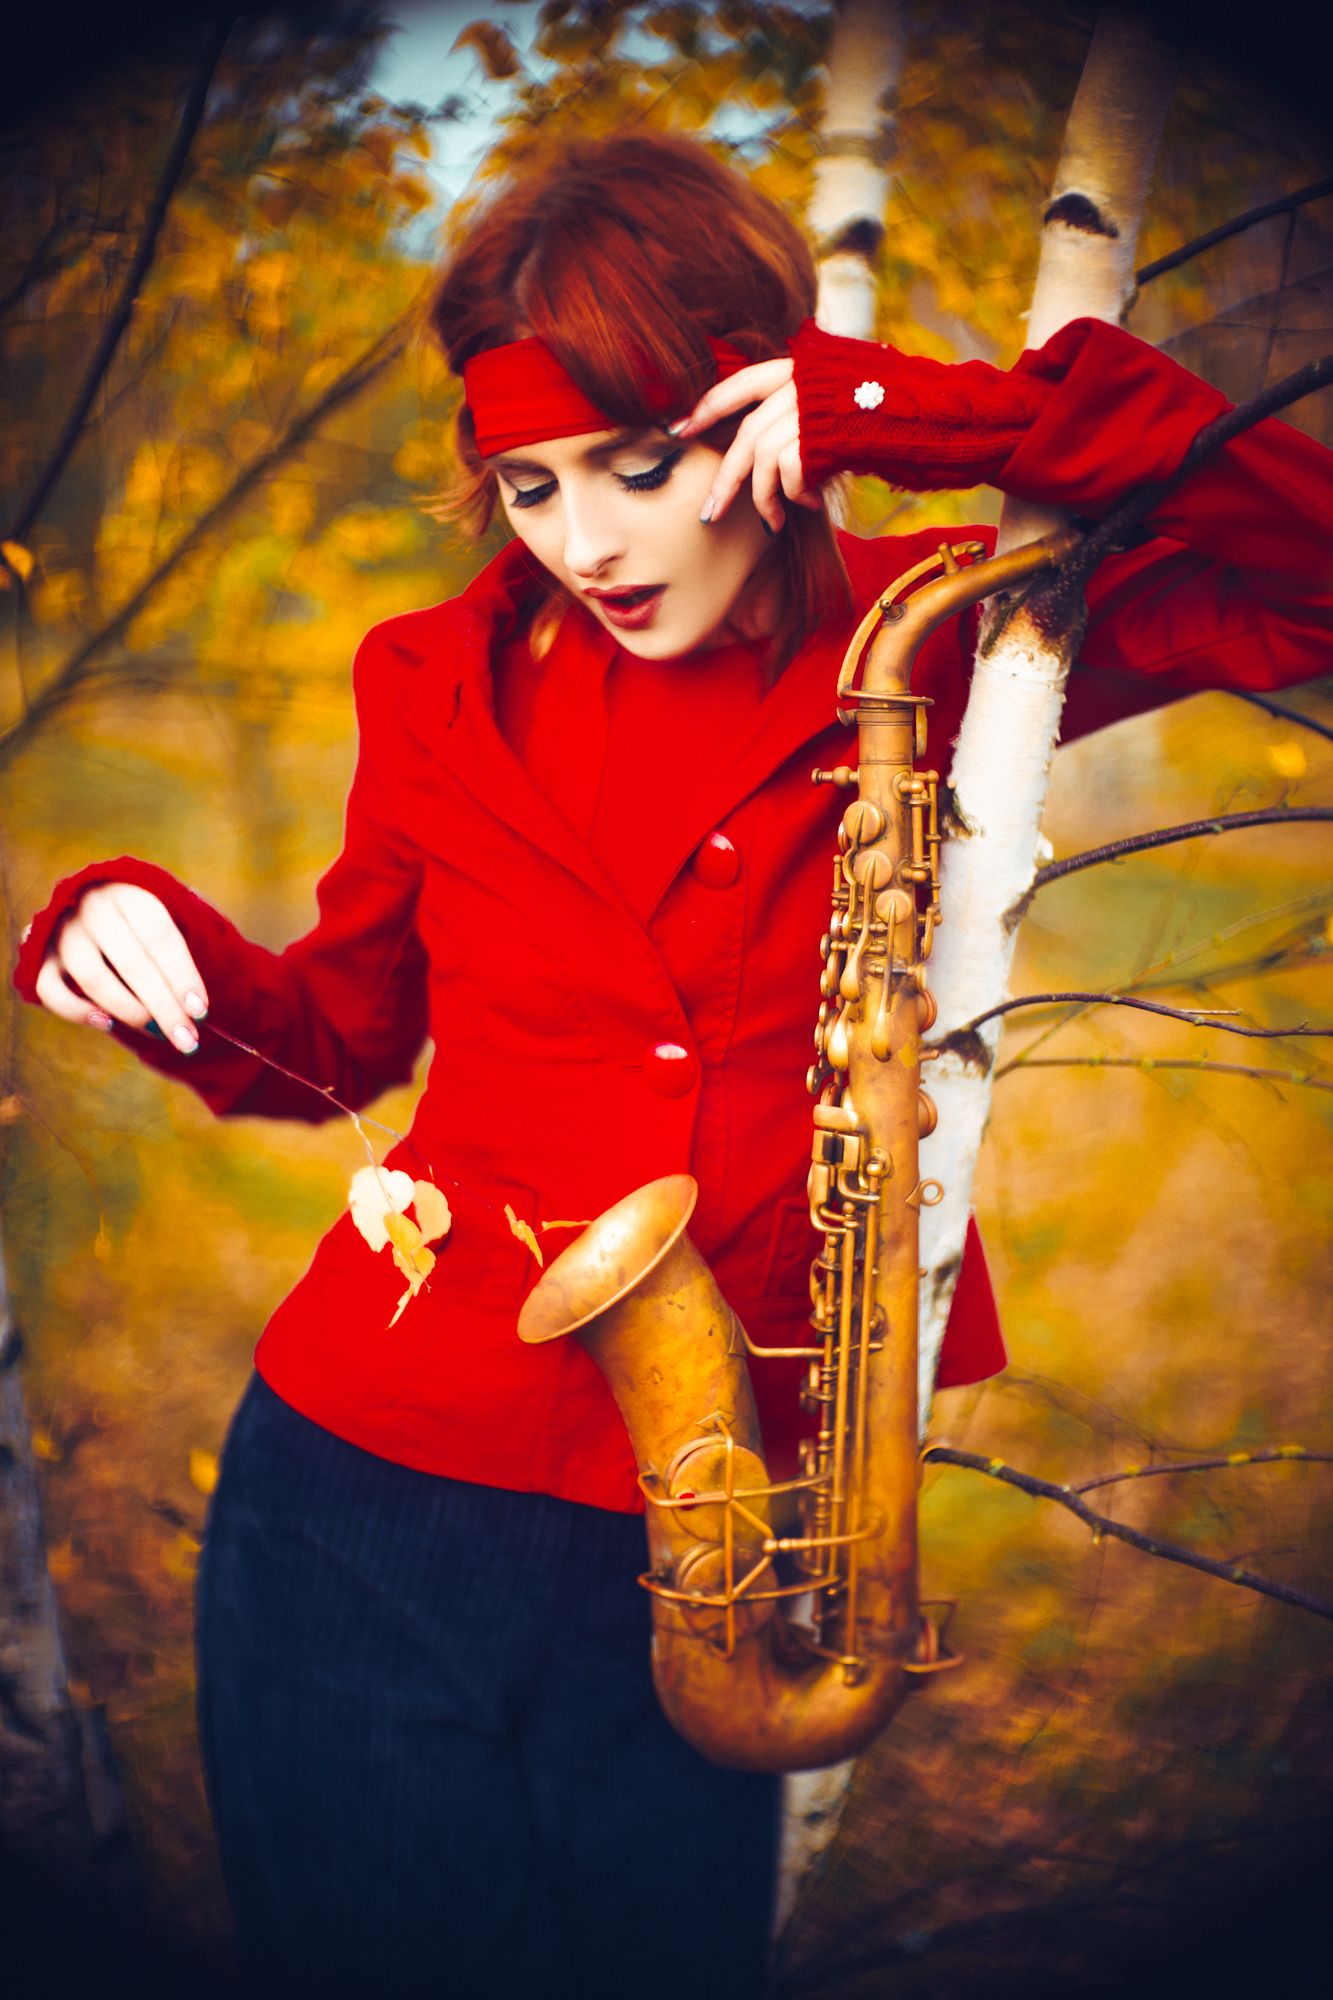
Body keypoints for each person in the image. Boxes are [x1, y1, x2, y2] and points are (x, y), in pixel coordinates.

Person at [13, 133, 1332, 1998]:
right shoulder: (430, 679)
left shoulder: (944, 631)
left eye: (639, 466)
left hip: (718, 1544)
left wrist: (922, 414)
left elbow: (1314, 571)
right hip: (361, 1503)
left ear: (759, 408)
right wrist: (127, 930)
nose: (586, 543)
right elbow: (332, 1044)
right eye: (529, 483)